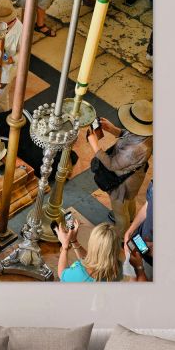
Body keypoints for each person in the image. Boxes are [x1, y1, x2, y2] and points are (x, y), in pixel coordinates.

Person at [86, 99, 154, 263]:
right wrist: (113, 129)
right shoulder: (148, 133)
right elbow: (130, 135)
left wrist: (95, 146)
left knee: (119, 209)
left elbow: (112, 165)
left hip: (123, 183)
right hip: (134, 178)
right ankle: (130, 217)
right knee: (129, 201)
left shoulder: (136, 150)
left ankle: (122, 235)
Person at [56, 221, 121, 282]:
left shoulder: (80, 274)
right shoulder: (114, 267)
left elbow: (62, 274)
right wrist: (74, 241)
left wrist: (64, 246)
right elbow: (88, 259)